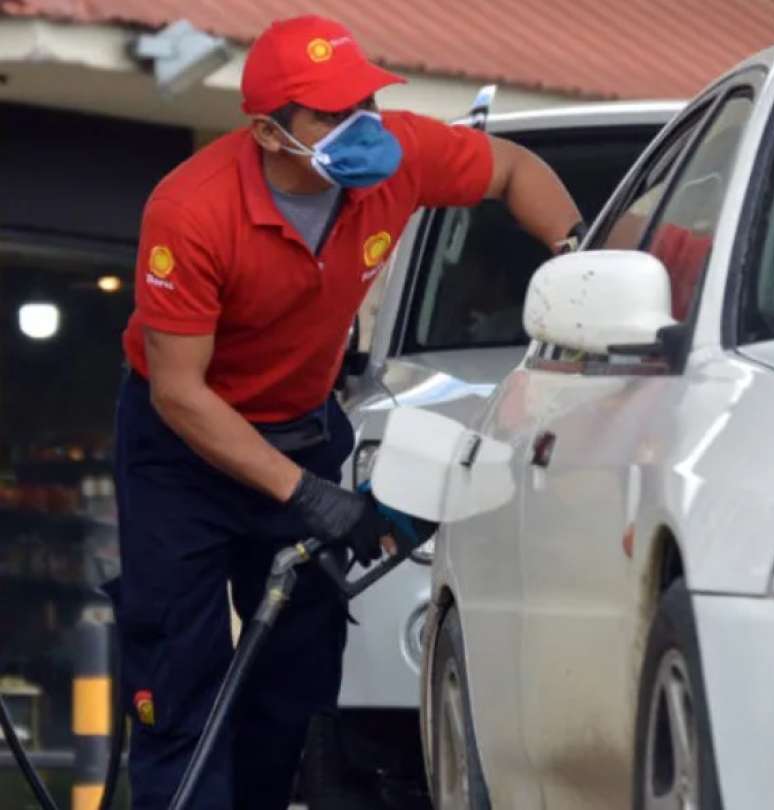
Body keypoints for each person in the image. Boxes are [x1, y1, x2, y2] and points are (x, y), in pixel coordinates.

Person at [110, 14, 582, 810]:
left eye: (363, 101)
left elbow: (513, 169)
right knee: (178, 683)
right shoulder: (192, 210)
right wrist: (308, 495)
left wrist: (577, 255)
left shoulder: (395, 158)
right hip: (181, 454)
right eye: (330, 114)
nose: (359, 125)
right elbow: (180, 393)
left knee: (293, 681)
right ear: (267, 131)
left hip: (301, 423)